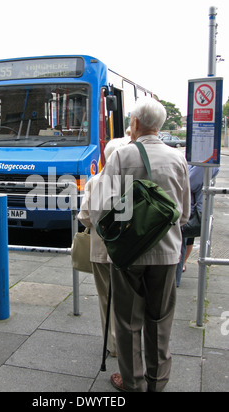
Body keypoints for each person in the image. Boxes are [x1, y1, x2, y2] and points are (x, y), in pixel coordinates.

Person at [90, 97, 191, 392]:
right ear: (159, 126)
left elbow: (100, 209)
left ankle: (132, 382)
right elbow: (182, 214)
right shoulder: (177, 158)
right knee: (160, 320)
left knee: (127, 320)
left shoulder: (123, 156)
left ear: (134, 123)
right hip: (167, 253)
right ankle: (157, 382)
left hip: (128, 255)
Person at [78, 137, 130, 357]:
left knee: (106, 299)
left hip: (101, 251)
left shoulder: (95, 181)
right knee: (129, 299)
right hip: (129, 252)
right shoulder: (131, 181)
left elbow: (85, 217)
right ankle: (131, 342)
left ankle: (114, 346)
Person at [176, 165, 219, 287]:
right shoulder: (199, 160)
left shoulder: (203, 161)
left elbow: (189, 182)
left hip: (190, 208)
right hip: (191, 207)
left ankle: (175, 278)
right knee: (183, 241)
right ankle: (176, 276)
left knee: (181, 241)